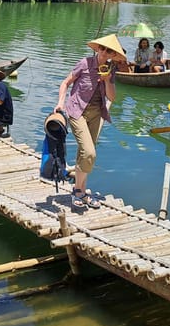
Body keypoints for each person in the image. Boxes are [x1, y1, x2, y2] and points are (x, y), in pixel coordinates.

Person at [54, 33, 127, 209]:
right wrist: (60, 103)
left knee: (85, 153)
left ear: (112, 55)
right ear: (98, 49)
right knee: (89, 153)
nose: (104, 52)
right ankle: (78, 191)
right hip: (77, 112)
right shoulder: (85, 63)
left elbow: (111, 97)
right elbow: (66, 83)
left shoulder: (111, 70)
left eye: (109, 51)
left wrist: (108, 80)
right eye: (102, 48)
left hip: (97, 114)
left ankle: (81, 190)